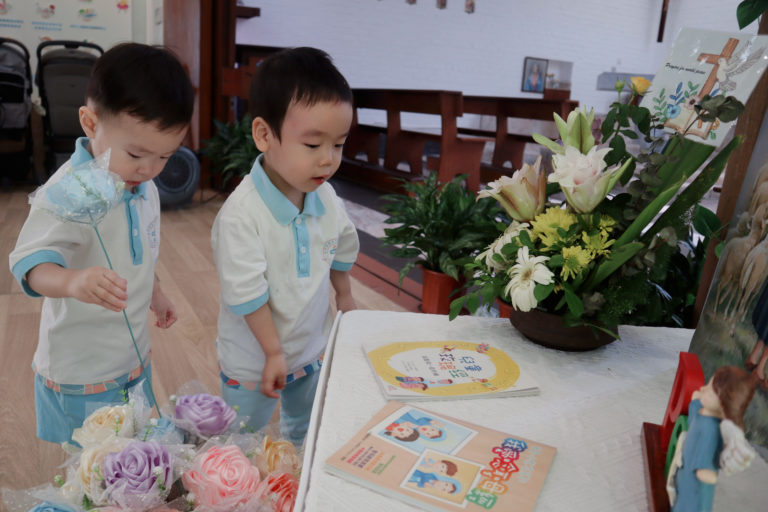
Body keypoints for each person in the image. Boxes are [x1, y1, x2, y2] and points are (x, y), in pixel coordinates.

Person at [8, 43, 193, 443]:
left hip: (130, 356)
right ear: (90, 124)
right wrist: (73, 281)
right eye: (136, 154)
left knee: (131, 455)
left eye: (165, 157)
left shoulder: (142, 184)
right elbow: (30, 265)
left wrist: (155, 291)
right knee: (89, 464)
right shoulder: (68, 190)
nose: (150, 169)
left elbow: (141, 251)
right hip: (82, 368)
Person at [212, 47, 359, 445]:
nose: (328, 160)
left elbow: (341, 247)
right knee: (242, 439)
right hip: (253, 358)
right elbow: (247, 294)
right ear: (264, 135)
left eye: (338, 145)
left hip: (310, 347)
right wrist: (273, 353)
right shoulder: (242, 215)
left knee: (306, 431)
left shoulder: (327, 198)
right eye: (312, 146)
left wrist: (344, 295)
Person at [670, 366, 757, 512]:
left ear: (724, 402)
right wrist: (696, 401)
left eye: (710, 391)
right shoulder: (703, 413)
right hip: (685, 478)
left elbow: (705, 470)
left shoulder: (710, 430)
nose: (703, 389)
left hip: (693, 492)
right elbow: (694, 419)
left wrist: (708, 474)